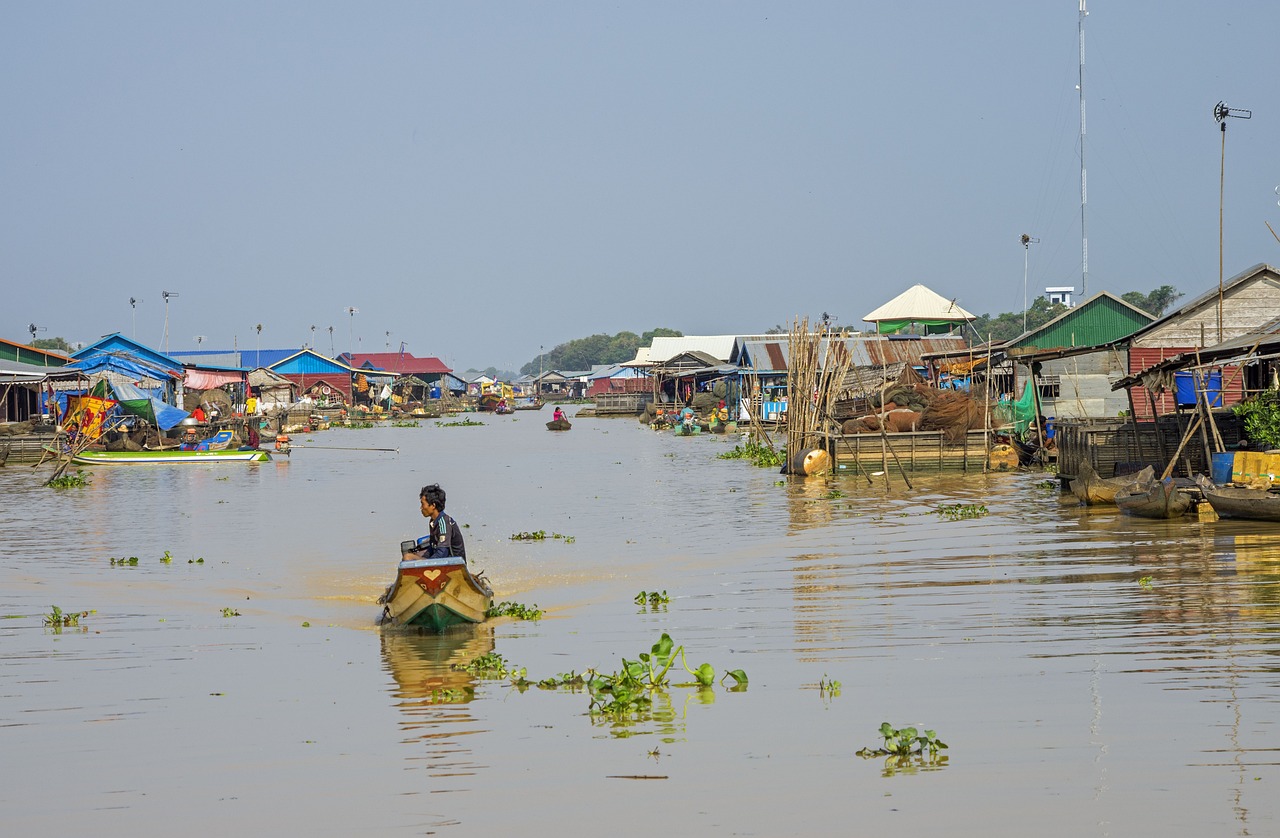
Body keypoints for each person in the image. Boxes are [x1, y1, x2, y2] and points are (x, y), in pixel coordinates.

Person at [416, 483, 466, 560]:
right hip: (443, 560)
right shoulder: (433, 522)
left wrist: (423, 562)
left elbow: (443, 552)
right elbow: (432, 548)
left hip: (453, 564)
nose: (421, 508)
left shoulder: (444, 523)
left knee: (408, 557)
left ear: (433, 505)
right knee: (411, 555)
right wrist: (421, 558)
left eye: (423, 504)